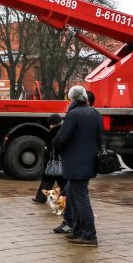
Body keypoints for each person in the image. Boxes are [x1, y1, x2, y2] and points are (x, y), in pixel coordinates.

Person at [52, 85, 102, 247]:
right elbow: (100, 138)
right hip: (89, 161)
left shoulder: (73, 115)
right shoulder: (95, 113)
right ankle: (78, 231)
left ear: (71, 98)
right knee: (73, 196)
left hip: (76, 163)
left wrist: (55, 142)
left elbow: (61, 139)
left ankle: (89, 235)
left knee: (81, 198)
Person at [32, 113, 67, 203]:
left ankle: (41, 198)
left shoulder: (54, 131)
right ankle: (41, 198)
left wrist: (47, 150)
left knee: (49, 178)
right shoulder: (64, 130)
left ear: (54, 123)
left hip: (53, 160)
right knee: (61, 180)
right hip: (61, 160)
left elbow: (51, 147)